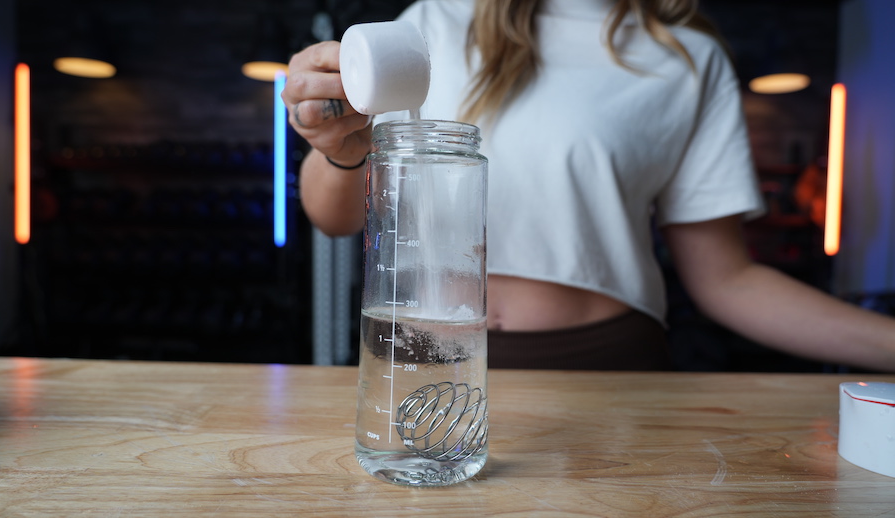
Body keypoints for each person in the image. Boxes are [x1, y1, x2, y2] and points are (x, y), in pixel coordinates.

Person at [281, 0, 895, 371]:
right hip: (420, 355)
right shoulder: (431, 25)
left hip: (602, 362)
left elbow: (727, 279)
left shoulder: (687, 58)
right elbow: (338, 219)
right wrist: (338, 149)